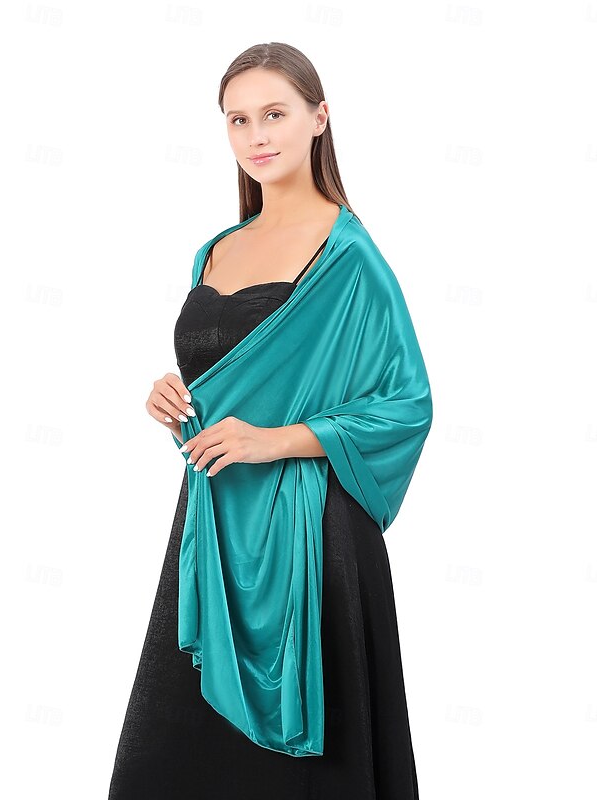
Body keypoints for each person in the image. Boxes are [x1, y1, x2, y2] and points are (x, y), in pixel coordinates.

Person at [109, 42, 432, 799]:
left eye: (275, 114)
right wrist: (175, 403)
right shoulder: (215, 251)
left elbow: (407, 404)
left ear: (319, 118)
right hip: (214, 525)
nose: (256, 135)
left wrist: (273, 442)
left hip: (313, 536)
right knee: (171, 760)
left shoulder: (347, 256)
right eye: (238, 119)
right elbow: (227, 385)